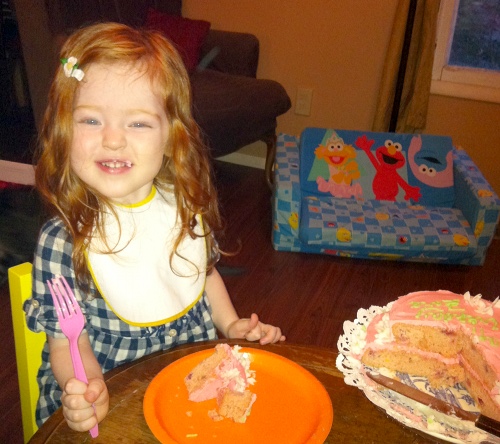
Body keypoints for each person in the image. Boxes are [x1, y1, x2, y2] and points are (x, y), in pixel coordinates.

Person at [25, 22, 285, 433]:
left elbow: (203, 273)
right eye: (90, 120)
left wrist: (231, 324)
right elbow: (67, 342)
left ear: (171, 136)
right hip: (113, 391)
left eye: (138, 124)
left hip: (189, 378)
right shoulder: (63, 241)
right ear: (63, 130)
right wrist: (89, 389)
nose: (113, 140)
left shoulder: (182, 206)